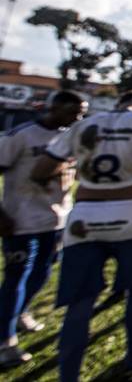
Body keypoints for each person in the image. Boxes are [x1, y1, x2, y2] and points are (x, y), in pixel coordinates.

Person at [31, 89, 132, 381]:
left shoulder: (84, 125)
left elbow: (41, 169)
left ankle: (69, 374)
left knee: (79, 304)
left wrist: (75, 164)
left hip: (85, 217)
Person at [0, 91, 87, 368]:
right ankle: (4, 341)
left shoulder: (70, 137)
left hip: (56, 219)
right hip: (21, 219)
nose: (78, 117)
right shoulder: (21, 135)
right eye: (74, 110)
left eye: (82, 112)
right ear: (55, 107)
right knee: (16, 277)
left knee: (43, 271)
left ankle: (20, 312)